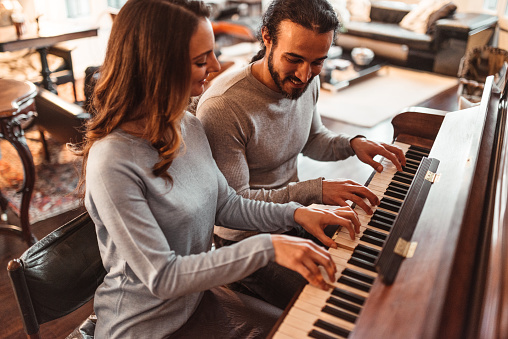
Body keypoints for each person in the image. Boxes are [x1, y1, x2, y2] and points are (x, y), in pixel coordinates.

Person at [74, 0, 361, 338]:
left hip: (197, 302)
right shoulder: (112, 162)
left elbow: (226, 205)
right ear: (157, 66)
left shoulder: (188, 125)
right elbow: (163, 277)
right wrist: (268, 246)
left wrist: (297, 214)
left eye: (212, 53)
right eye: (201, 60)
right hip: (143, 326)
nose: (215, 64)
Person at [196, 0, 406, 309]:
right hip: (247, 240)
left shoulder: (307, 80)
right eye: (294, 59)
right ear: (267, 37)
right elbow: (234, 205)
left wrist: (353, 143)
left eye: (318, 61)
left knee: (374, 255)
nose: (305, 75)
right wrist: (313, 192)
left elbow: (313, 139)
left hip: (297, 215)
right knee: (337, 300)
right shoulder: (224, 107)